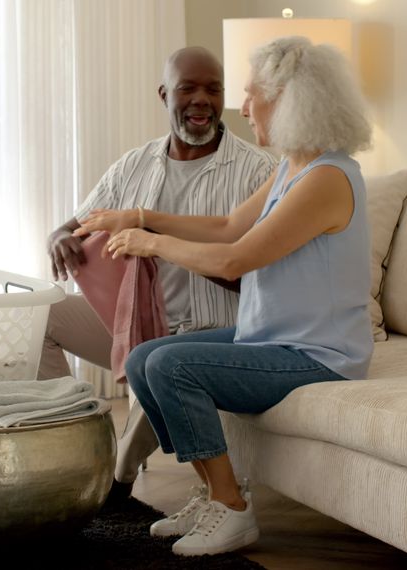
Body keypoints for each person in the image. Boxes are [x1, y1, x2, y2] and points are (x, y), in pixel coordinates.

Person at [74, 37, 374, 556]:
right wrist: (139, 216)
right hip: (273, 337)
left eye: (252, 93)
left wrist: (152, 242)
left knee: (172, 368)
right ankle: (214, 492)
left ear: (288, 100)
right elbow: (228, 223)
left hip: (316, 355)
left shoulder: (327, 178)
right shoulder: (292, 167)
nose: (243, 106)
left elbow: (236, 256)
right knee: (147, 359)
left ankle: (233, 509)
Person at [40, 46, 276, 500]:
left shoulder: (257, 171)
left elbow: (256, 277)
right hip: (131, 322)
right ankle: (73, 441)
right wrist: (58, 237)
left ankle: (117, 473)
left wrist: (163, 243)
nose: (202, 99)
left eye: (214, 89)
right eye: (188, 88)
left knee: (155, 359)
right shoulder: (134, 164)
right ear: (165, 94)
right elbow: (77, 221)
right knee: (40, 317)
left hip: (212, 328)